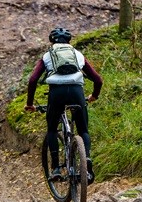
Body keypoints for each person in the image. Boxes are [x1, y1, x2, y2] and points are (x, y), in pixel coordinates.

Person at [24, 27, 102, 182]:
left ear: (51, 41)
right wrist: (94, 96)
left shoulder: (47, 56)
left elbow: (33, 80)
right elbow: (98, 80)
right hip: (76, 93)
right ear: (69, 41)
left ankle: (56, 169)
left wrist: (30, 104)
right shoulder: (78, 55)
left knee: (52, 129)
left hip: (56, 94)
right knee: (83, 130)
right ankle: (86, 162)